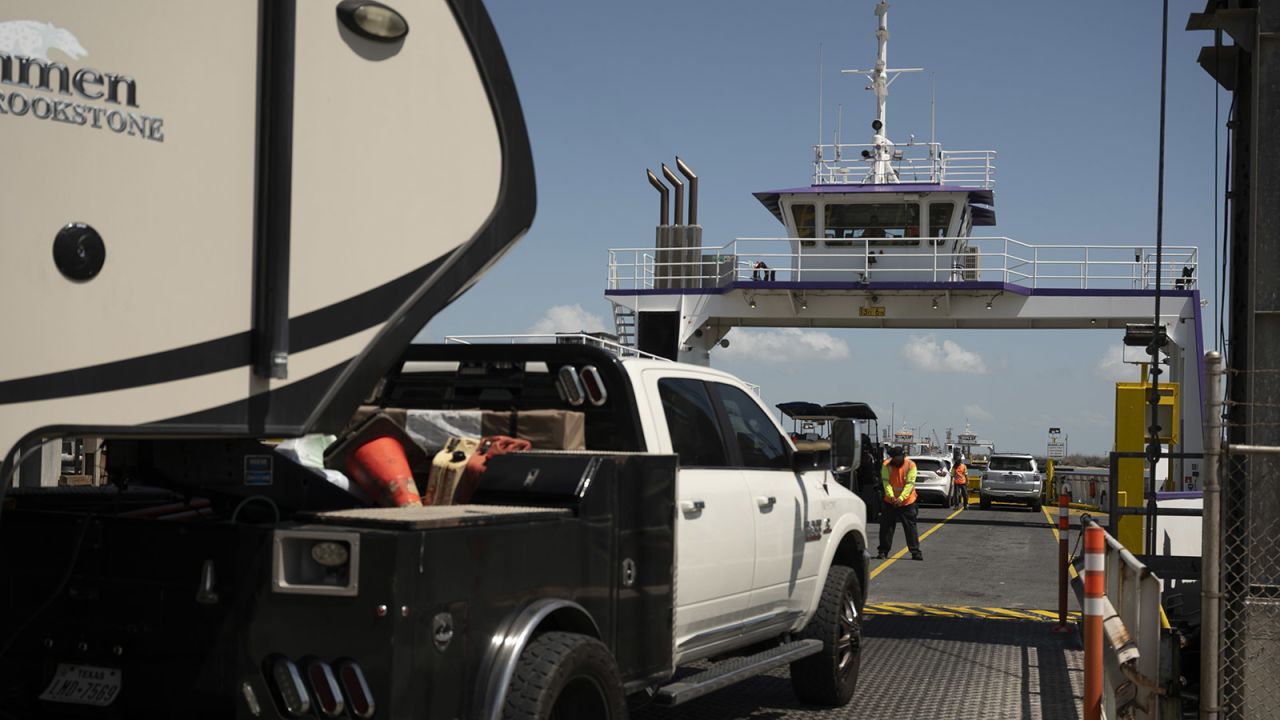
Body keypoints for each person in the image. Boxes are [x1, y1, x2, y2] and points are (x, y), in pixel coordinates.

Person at [876, 446, 922, 561]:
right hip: (890, 501)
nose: (896, 460)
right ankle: (883, 551)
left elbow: (910, 484)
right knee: (886, 527)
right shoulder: (886, 465)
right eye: (894, 458)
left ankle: (915, 552)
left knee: (910, 527)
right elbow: (886, 483)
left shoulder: (911, 465)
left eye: (899, 458)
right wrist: (892, 497)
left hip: (907, 502)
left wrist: (901, 498)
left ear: (903, 456)